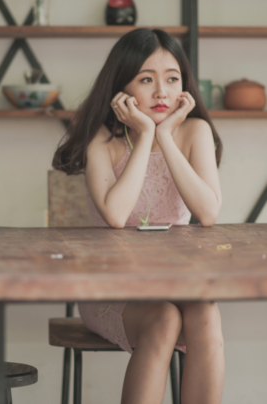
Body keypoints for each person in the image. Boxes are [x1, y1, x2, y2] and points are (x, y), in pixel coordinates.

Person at [53, 28, 224, 404]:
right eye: (146, 80)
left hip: (173, 281)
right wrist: (146, 135)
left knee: (206, 312)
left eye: (172, 79)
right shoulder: (102, 138)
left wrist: (166, 137)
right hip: (110, 288)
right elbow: (116, 215)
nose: (162, 92)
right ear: (121, 88)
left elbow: (209, 212)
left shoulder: (195, 132)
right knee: (163, 319)